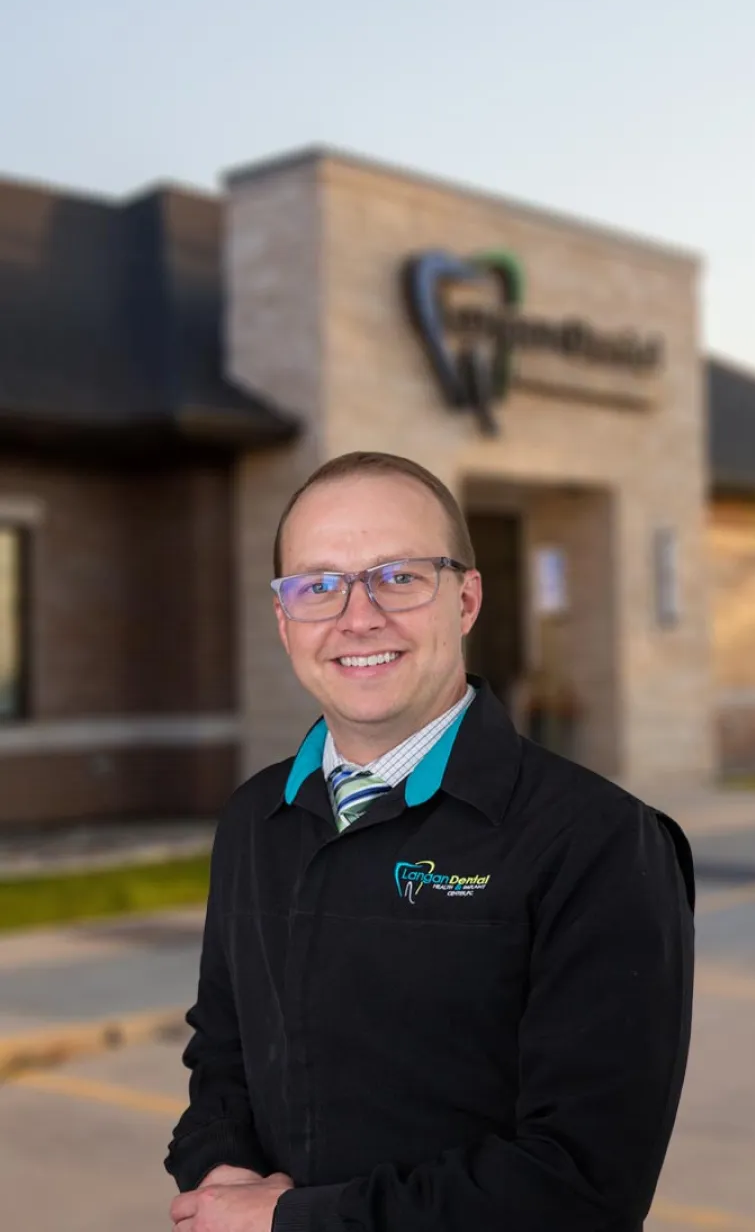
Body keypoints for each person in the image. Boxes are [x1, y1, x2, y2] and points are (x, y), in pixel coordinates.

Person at [166, 450, 695, 1232]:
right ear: (284, 620)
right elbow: (222, 1054)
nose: (358, 616)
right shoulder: (254, 820)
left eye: (398, 576)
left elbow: (582, 1185)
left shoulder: (600, 843)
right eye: (318, 585)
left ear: (467, 599)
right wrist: (222, 1174)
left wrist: (294, 1222)